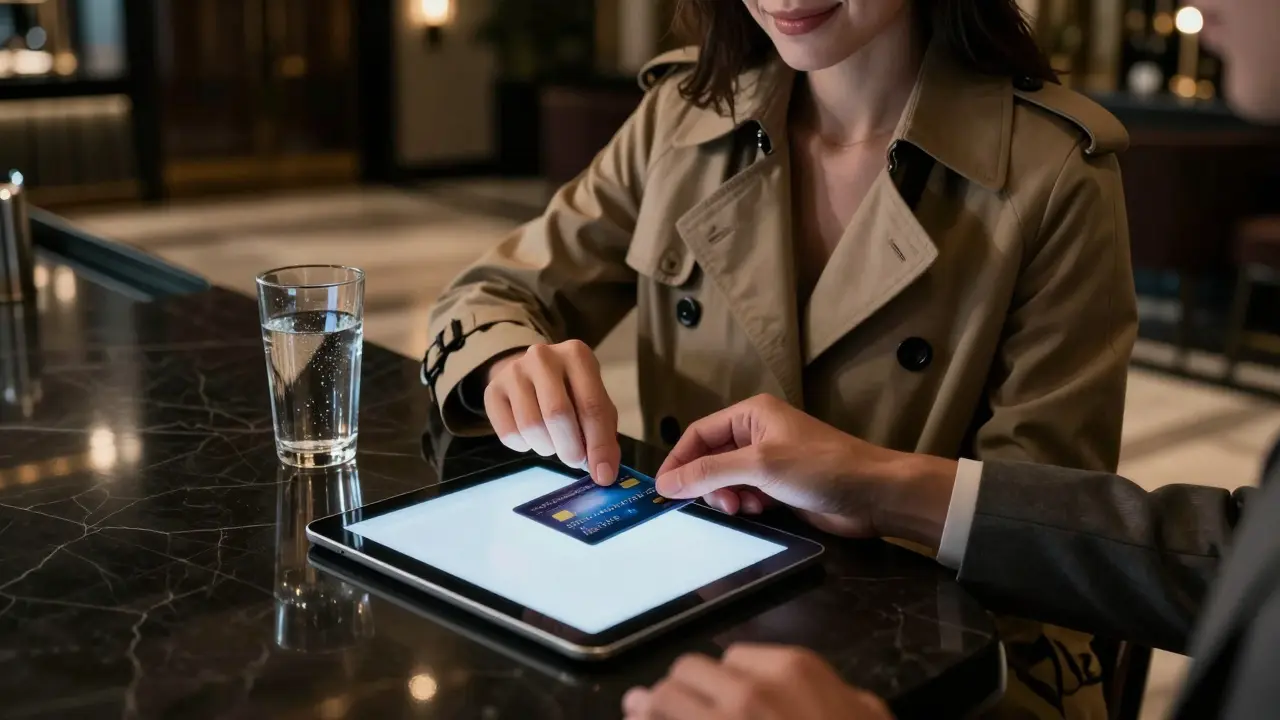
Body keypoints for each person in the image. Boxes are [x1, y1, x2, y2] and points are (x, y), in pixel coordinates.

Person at [424, 1, 1135, 714]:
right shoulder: (683, 116)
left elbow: (1041, 532)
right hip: (682, 615)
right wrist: (510, 362)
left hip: (947, 664)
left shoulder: (1053, 170)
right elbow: (490, 293)